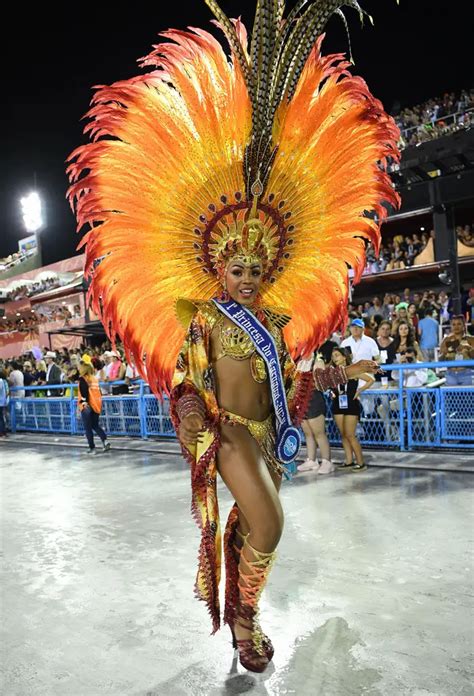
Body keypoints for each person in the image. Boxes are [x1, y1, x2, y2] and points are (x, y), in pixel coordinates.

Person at [67, 0, 399, 673]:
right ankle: (243, 619)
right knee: (271, 524)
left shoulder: (276, 323)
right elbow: (188, 383)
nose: (248, 276)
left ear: (269, 265)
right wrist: (198, 429)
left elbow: (296, 380)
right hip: (231, 432)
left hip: (270, 429)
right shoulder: (205, 319)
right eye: (236, 267)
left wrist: (342, 378)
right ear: (217, 265)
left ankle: (247, 621)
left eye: (257, 266)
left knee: (256, 530)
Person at [331, 347, 375, 472]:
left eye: (337, 355)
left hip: (351, 404)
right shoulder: (334, 372)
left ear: (344, 357)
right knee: (344, 435)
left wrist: (359, 390)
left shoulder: (353, 370)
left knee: (350, 435)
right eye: (333, 356)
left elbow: (371, 379)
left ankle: (361, 463)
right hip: (338, 404)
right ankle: (349, 461)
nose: (335, 358)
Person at [298, 353, 334, 475]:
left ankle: (327, 461)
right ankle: (312, 460)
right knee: (308, 433)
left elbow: (323, 384)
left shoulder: (318, 361)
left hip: (314, 398)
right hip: (301, 399)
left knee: (319, 433)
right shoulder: (298, 362)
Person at [77, 355, 111, 454]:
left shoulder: (83, 379)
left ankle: (92, 448)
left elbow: (84, 393)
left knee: (88, 428)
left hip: (87, 406)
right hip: (96, 405)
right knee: (95, 425)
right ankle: (105, 441)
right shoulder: (94, 379)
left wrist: (83, 403)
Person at [439, 315, 474, 386]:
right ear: (451, 326)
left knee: (467, 396)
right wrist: (444, 354)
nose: (456, 326)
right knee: (451, 396)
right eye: (453, 324)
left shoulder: (471, 339)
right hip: (450, 374)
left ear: (464, 325)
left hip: (467, 374)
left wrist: (468, 348)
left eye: (459, 324)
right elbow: (440, 361)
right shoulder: (446, 340)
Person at [0, 369, 10, 438]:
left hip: (0, 401)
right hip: (3, 401)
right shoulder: (4, 381)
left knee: (0, 417)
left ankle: (2, 432)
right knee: (1, 417)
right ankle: (3, 431)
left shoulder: (0, 381)